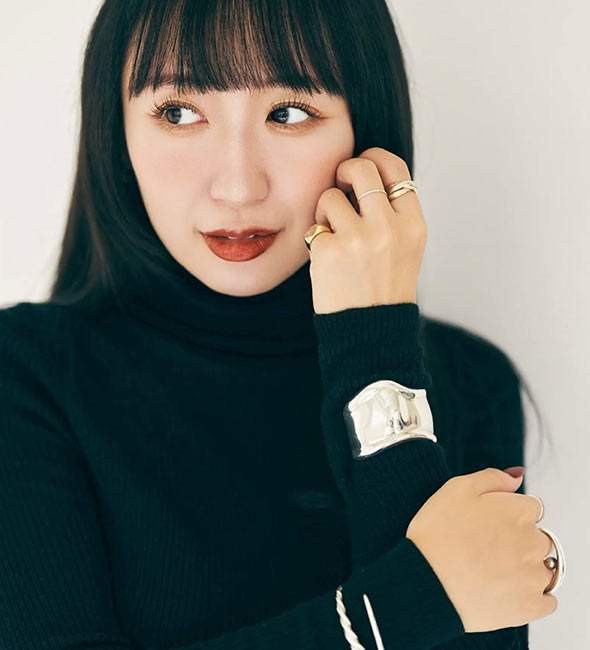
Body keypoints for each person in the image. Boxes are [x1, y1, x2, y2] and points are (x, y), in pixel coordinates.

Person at [0, 1, 562, 648]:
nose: (238, 187)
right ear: (115, 132)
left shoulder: (468, 381)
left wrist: (376, 349)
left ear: (365, 134)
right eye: (179, 113)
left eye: (289, 113)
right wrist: (404, 605)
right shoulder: (27, 378)